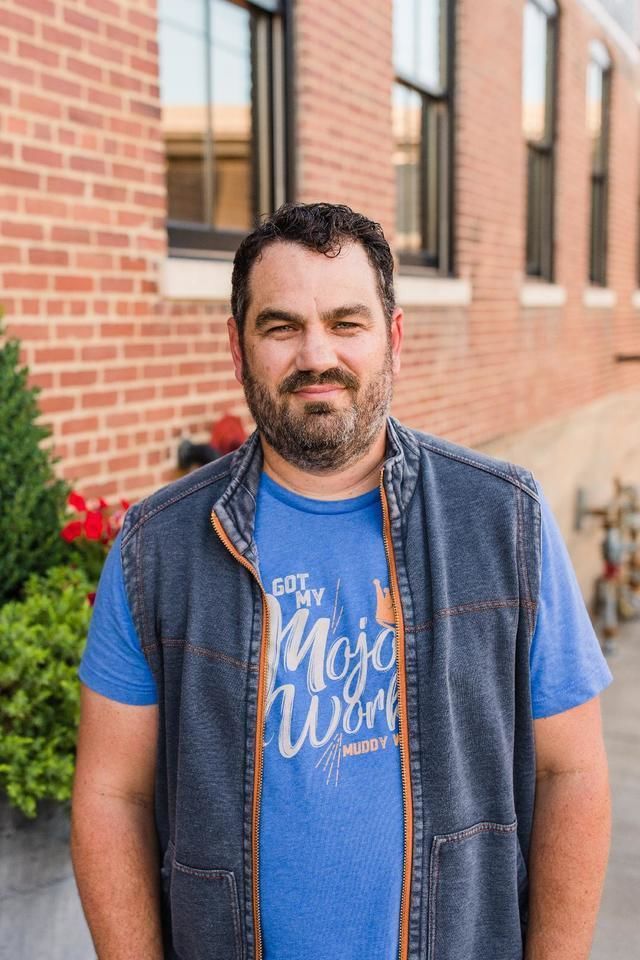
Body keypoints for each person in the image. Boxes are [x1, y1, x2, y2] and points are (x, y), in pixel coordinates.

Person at [71, 201, 613, 960]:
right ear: (238, 349)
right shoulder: (157, 548)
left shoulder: (503, 522)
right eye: (281, 326)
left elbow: (572, 773)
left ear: (394, 339)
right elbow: (111, 794)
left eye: (346, 323)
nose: (315, 354)